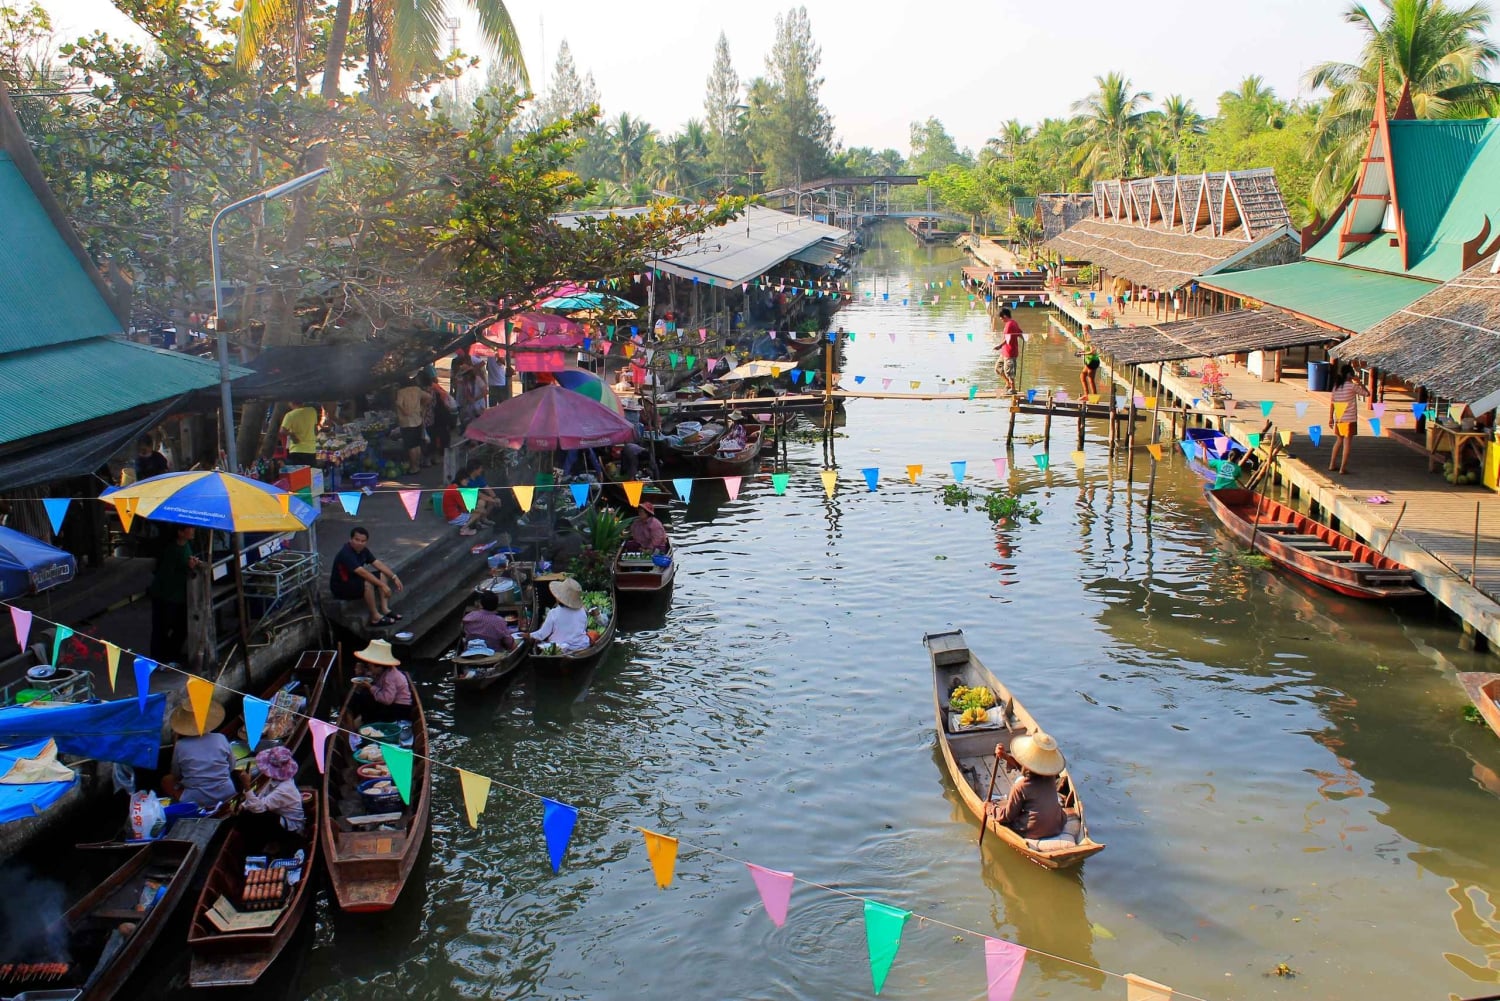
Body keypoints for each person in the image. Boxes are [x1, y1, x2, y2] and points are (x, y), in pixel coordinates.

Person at [990, 732, 1068, 840]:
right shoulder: (1051, 777)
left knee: (1006, 818)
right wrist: (1005, 757)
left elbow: (1007, 816)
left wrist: (990, 808)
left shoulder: (1020, 787)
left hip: (1032, 830)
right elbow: (1029, 771)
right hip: (1057, 826)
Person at [162, 700, 236, 809]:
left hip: (197, 798)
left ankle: (182, 807)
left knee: (167, 780)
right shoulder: (221, 738)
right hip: (227, 791)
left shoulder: (180, 745)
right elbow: (232, 766)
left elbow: (176, 774)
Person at [329, 526, 404, 625]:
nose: (360, 543)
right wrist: (383, 585)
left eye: (363, 541)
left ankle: (385, 609)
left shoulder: (364, 551)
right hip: (342, 586)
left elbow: (377, 563)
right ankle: (375, 617)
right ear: (351, 539)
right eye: (357, 540)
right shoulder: (346, 553)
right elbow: (362, 572)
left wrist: (394, 577)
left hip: (354, 580)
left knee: (382, 574)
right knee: (368, 583)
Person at [149, 525, 200, 665]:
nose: (193, 530)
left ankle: (171, 655)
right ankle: (160, 659)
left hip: (179, 595)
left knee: (181, 627)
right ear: (180, 532)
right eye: (189, 528)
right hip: (166, 595)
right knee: (162, 628)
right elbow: (167, 575)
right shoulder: (171, 550)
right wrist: (187, 567)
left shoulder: (186, 546)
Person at [238, 745, 306, 837]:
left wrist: (246, 785)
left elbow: (258, 808)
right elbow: (261, 796)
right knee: (246, 813)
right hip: (278, 814)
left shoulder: (285, 789)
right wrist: (243, 805)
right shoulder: (275, 779)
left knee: (256, 816)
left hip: (292, 828)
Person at [349, 639, 414, 721]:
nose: (369, 668)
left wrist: (370, 687)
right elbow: (372, 676)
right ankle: (356, 718)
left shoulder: (390, 677)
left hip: (399, 709)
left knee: (367, 705)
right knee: (361, 698)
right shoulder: (383, 672)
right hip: (391, 703)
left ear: (379, 667)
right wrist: (361, 673)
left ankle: (359, 721)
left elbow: (387, 700)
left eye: (370, 666)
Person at [527, 577, 591, 652]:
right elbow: (584, 628)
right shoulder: (582, 611)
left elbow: (542, 634)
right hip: (581, 646)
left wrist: (529, 635)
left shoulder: (553, 613)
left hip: (559, 648)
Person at [1328, 363, 1368, 475]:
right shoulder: (1352, 386)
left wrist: (1330, 418)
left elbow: (1332, 403)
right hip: (1349, 420)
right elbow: (1367, 394)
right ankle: (1342, 468)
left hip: (1339, 418)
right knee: (1347, 444)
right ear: (1350, 375)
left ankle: (1331, 464)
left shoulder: (1336, 387)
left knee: (1338, 441)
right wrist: (1360, 383)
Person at [442, 461, 497, 536]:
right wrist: (480, 510)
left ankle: (475, 524)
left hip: (453, 514)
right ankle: (464, 529)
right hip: (453, 517)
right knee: (478, 513)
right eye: (467, 480)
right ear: (461, 479)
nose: (468, 482)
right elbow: (465, 508)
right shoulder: (456, 490)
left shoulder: (453, 487)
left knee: (479, 509)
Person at [394, 376, 431, 473]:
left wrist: (403, 410)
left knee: (411, 446)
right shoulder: (417, 389)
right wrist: (422, 407)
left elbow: (399, 403)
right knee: (417, 444)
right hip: (417, 420)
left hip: (407, 422)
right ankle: (417, 465)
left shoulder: (401, 392)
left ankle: (414, 467)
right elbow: (429, 397)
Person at [278, 400, 320, 467]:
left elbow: (282, 431)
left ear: (291, 403)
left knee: (297, 472)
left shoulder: (290, 415)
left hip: (296, 450)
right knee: (309, 472)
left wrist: (292, 435)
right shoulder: (312, 411)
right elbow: (315, 430)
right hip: (311, 450)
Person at [992, 308, 1024, 395]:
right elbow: (1020, 332)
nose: (1001, 319)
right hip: (1004, 352)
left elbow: (1007, 338)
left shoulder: (1011, 324)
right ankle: (1008, 383)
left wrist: (999, 346)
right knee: (998, 368)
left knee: (1009, 371)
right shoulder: (1012, 323)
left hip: (1010, 352)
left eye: (1001, 318)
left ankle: (1013, 389)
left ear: (1005, 316)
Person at [1077, 329, 1102, 398]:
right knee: (1082, 376)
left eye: (1085, 331)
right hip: (1088, 362)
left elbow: (1092, 352)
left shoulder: (1092, 341)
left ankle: (1094, 397)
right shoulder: (1087, 341)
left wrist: (1082, 354)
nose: (1084, 333)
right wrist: (1081, 352)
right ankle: (1086, 395)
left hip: (1093, 361)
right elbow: (1087, 350)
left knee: (1090, 379)